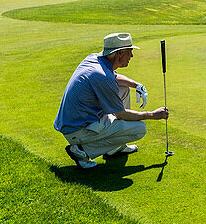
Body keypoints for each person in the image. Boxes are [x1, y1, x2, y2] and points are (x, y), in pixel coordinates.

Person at [53, 32, 170, 169]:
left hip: (77, 121)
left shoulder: (95, 59)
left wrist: (136, 85)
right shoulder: (103, 76)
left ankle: (116, 148)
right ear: (119, 53)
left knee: (124, 88)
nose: (131, 56)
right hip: (77, 130)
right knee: (139, 129)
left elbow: (114, 78)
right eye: (129, 52)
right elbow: (120, 114)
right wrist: (152, 115)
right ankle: (81, 150)